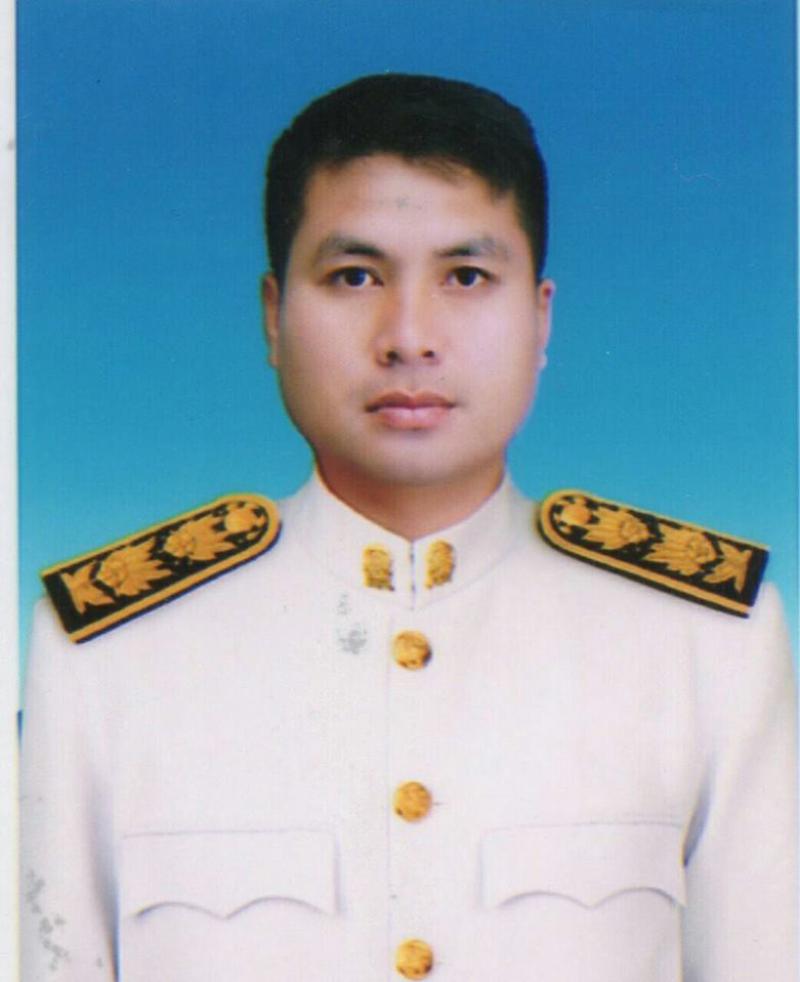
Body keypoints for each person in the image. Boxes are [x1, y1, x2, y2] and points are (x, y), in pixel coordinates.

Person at [20, 74, 796, 982]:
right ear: (274, 316)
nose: (409, 337)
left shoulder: (705, 641)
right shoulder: (107, 654)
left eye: (467, 277)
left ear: (540, 315)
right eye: (354, 277)